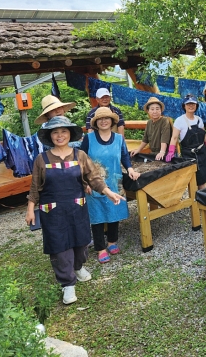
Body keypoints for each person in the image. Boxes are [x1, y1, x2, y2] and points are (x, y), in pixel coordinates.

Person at [25, 116, 125, 305]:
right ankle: (67, 284)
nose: (60, 135)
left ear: (70, 134)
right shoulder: (41, 159)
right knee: (59, 246)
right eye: (55, 132)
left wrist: (109, 192)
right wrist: (31, 209)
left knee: (81, 243)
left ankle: (78, 267)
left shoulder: (80, 155)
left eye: (63, 131)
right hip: (52, 211)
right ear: (50, 136)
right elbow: (35, 186)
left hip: (76, 207)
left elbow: (94, 178)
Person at [81, 107, 140, 263]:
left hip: (114, 181)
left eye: (107, 118)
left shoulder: (119, 138)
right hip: (94, 183)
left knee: (114, 212)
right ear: (96, 123)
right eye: (100, 119)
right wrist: (84, 181)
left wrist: (130, 169)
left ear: (112, 121)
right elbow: (81, 161)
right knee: (97, 215)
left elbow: (124, 156)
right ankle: (100, 248)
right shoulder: (89, 138)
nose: (104, 121)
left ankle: (112, 241)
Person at [166, 95, 206, 190]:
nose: (191, 106)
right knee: (192, 180)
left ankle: (202, 199)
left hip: (202, 153)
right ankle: (194, 201)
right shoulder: (179, 121)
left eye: (193, 104)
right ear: (184, 106)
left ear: (196, 106)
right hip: (188, 154)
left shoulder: (199, 119)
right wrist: (171, 151)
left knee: (203, 179)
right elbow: (174, 138)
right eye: (188, 104)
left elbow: (205, 136)